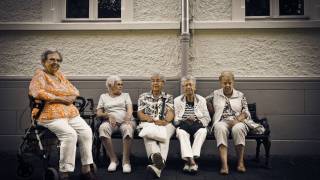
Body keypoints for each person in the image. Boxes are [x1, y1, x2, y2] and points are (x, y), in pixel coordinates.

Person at [29, 49, 96, 180]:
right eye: (52, 59)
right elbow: (37, 92)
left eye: (58, 60)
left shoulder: (60, 75)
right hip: (49, 115)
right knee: (70, 135)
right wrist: (61, 98)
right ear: (44, 62)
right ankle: (64, 172)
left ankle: (86, 168)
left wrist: (63, 96)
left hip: (69, 113)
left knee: (86, 132)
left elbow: (74, 91)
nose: (56, 62)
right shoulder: (40, 75)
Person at [206, 71, 252, 175]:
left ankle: (240, 162)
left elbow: (246, 111)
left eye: (229, 83)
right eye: (224, 83)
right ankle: (224, 165)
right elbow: (202, 101)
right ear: (220, 82)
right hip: (221, 121)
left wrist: (239, 118)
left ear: (233, 82)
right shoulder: (215, 93)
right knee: (220, 128)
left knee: (238, 129)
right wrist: (209, 106)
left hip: (237, 121)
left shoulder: (240, 95)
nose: (227, 85)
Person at [137, 73, 175, 178]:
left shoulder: (168, 97)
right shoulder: (143, 96)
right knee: (148, 135)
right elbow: (140, 113)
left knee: (165, 136)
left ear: (163, 83)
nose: (155, 83)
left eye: (158, 80)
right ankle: (158, 160)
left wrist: (165, 121)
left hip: (165, 123)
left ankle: (157, 164)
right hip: (149, 122)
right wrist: (148, 118)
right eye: (153, 81)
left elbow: (171, 112)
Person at [96, 75, 135, 173]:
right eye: (118, 84)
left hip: (125, 121)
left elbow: (130, 109)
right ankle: (114, 160)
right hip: (111, 123)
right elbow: (99, 113)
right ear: (110, 85)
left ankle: (126, 161)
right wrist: (108, 115)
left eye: (122, 84)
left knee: (128, 129)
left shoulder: (125, 95)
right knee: (103, 128)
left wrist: (127, 117)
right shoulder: (103, 96)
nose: (121, 86)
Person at [174, 76, 210, 173]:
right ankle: (192, 162)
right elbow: (175, 120)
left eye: (191, 85)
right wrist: (184, 119)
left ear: (195, 87)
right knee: (181, 133)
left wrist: (197, 119)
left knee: (202, 131)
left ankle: (188, 162)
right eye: (186, 85)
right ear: (183, 87)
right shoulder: (177, 100)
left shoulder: (201, 100)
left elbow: (207, 118)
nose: (188, 87)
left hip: (197, 125)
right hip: (183, 125)